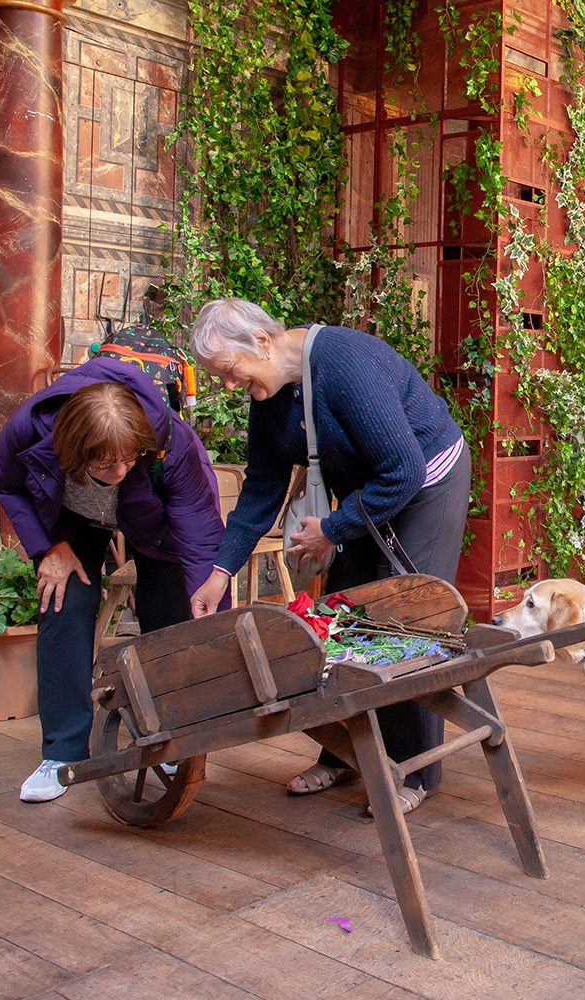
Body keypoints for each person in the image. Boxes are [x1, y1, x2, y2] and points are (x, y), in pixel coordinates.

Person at [187, 299, 469, 815]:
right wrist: (219, 573)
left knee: (405, 617)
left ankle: (416, 768)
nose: (228, 386)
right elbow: (262, 489)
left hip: (426, 479)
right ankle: (343, 753)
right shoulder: (268, 394)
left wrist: (334, 529)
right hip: (371, 490)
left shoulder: (344, 365)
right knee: (341, 612)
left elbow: (402, 471)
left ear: (263, 343)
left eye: (229, 372)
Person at [0, 357, 224, 802]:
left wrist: (208, 599)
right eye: (103, 464)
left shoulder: (170, 442)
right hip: (71, 522)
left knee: (172, 608)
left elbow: (197, 527)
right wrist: (47, 547)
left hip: (151, 521)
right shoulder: (29, 428)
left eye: (127, 460)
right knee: (63, 603)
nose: (117, 472)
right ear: (73, 448)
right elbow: (8, 484)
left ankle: (169, 734)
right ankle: (63, 753)